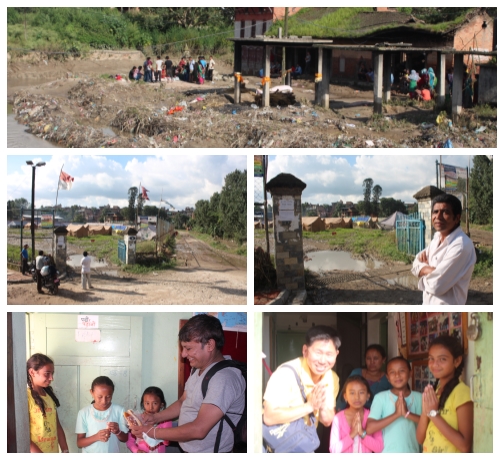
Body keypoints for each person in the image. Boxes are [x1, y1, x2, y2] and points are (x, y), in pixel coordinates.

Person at [130, 314, 245, 453]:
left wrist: (152, 432)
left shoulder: (224, 378)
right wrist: (155, 417)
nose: (183, 354)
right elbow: (183, 401)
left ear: (210, 345)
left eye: (188, 348)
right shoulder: (197, 369)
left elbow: (199, 429)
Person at [263, 326, 341, 435]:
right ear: (305, 351)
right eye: (318, 353)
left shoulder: (332, 378)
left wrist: (322, 404)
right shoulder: (285, 374)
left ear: (336, 354)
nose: (323, 361)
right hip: (279, 444)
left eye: (329, 354)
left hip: (304, 442)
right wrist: (309, 406)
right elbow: (269, 417)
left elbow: (327, 421)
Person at [411, 194, 476, 305]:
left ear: (457, 218)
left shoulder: (461, 245)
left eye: (445, 212)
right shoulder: (437, 238)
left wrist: (423, 271)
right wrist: (430, 270)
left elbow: (437, 285)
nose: (438, 216)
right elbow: (415, 263)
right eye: (435, 212)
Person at [416, 335, 472, 453]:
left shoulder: (461, 392)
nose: (434, 364)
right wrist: (426, 411)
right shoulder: (434, 392)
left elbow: (464, 446)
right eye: (431, 358)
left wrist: (433, 413)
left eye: (442, 359)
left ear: (457, 361)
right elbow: (420, 439)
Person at [366, 357, 422, 453]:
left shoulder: (420, 398)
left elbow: (430, 424)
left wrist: (407, 413)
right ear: (387, 377)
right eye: (392, 372)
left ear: (410, 373)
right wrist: (396, 414)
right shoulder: (381, 398)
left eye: (402, 371)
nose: (397, 375)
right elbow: (370, 428)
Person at [27, 353, 69, 453]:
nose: (51, 378)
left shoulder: (49, 396)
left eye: (52, 373)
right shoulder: (26, 397)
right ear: (32, 372)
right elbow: (23, 435)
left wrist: (65, 450)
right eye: (47, 373)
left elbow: (57, 426)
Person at [330, 376, 383, 453]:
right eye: (352, 393)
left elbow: (379, 448)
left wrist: (362, 433)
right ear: (345, 397)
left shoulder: (373, 417)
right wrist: (352, 434)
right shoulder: (338, 418)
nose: (357, 397)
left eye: (361, 392)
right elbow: (334, 450)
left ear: (368, 395)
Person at [76, 376, 128, 453]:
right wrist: (96, 437)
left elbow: (125, 438)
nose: (104, 401)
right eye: (100, 397)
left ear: (112, 393)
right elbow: (79, 443)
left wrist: (118, 431)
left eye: (108, 396)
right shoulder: (83, 413)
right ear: (92, 393)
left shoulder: (119, 411)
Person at [337, 344, 391, 410]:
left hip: (378, 416)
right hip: (354, 412)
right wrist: (338, 411)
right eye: (368, 358)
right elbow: (344, 392)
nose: (372, 362)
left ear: (383, 360)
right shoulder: (356, 373)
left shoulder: (388, 378)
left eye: (376, 358)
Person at [126, 387, 172, 453]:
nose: (151, 407)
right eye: (147, 403)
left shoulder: (166, 420)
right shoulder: (138, 419)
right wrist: (137, 451)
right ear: (143, 404)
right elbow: (129, 441)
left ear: (161, 404)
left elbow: (167, 443)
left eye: (155, 403)